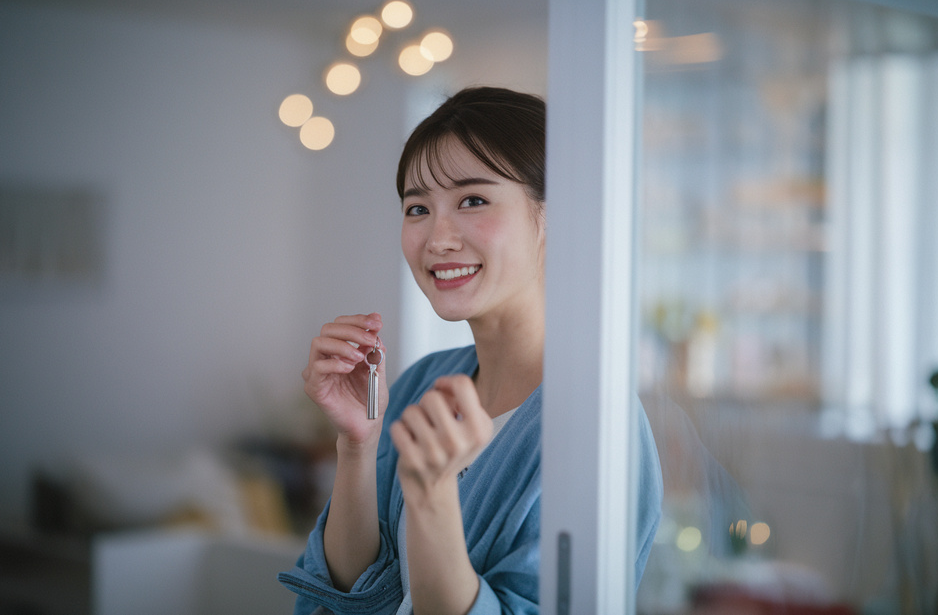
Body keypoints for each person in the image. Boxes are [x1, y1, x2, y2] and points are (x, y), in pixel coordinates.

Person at [279, 86, 663, 615]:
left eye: (473, 200)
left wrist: (433, 494)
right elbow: (352, 594)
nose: (437, 238)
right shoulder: (419, 385)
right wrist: (357, 444)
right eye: (417, 208)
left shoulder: (596, 428)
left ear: (558, 214)